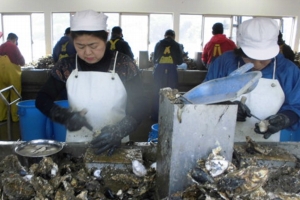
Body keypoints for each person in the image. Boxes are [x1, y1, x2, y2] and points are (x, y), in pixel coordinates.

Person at [35, 10, 147, 155]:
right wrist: (64, 116)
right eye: (80, 46)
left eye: (93, 46)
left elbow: (143, 105)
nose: (87, 53)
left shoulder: (123, 64)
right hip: (77, 145)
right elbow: (42, 99)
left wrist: (120, 130)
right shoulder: (67, 66)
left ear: (106, 37)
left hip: (114, 144)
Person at [204, 18, 300, 142]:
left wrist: (285, 118)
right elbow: (204, 96)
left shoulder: (288, 70)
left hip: (269, 144)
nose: (257, 65)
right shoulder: (225, 62)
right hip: (222, 139)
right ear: (240, 51)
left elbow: (297, 106)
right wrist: (226, 107)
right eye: (249, 58)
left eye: (263, 59)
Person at [151, 29, 183, 122]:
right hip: (171, 70)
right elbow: (180, 61)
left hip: (159, 70)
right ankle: (171, 115)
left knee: (157, 91)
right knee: (172, 92)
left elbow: (154, 59)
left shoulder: (158, 44)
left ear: (165, 35)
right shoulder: (177, 45)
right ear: (173, 36)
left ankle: (156, 116)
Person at [0, 33, 24, 122]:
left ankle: (2, 117)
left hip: (0, 74)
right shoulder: (13, 46)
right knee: (15, 94)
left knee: (2, 95)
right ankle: (15, 117)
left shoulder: (1, 46)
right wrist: (22, 63)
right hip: (11, 73)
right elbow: (21, 60)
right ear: (14, 39)